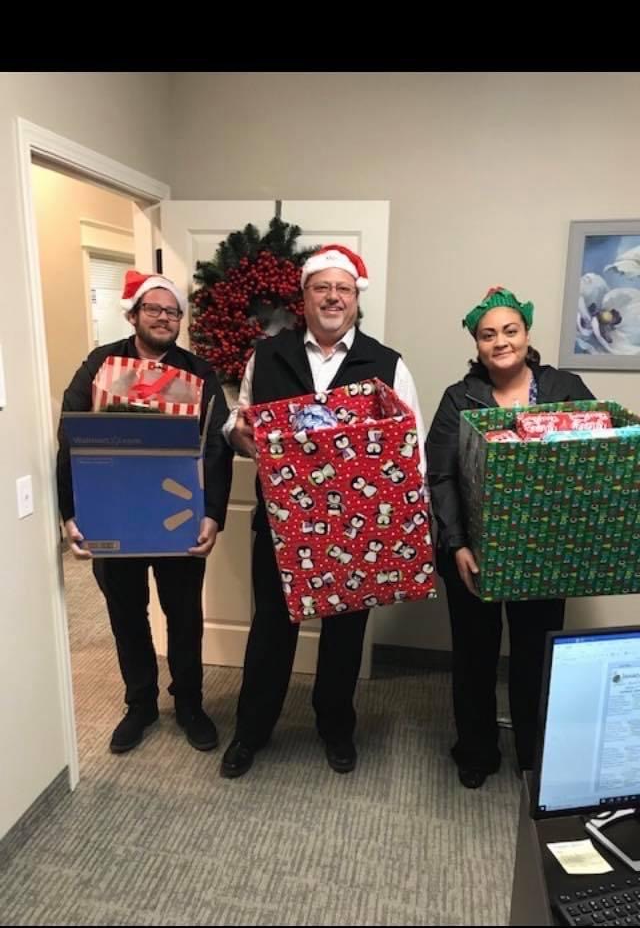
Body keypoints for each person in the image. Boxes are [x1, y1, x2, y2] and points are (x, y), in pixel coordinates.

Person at [220, 245, 426, 778]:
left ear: (356, 298)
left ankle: (336, 726)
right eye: (322, 288)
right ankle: (252, 730)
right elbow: (239, 426)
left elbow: (412, 448)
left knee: (344, 635)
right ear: (304, 296)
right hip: (282, 525)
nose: (333, 298)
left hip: (358, 529)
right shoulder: (266, 356)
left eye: (344, 289)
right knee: (271, 629)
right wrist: (239, 435)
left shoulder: (388, 363)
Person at [57, 270, 233, 755]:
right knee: (126, 615)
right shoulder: (100, 364)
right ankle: (140, 704)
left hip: (178, 517)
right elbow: (71, 436)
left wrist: (213, 515)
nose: (163, 317)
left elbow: (218, 449)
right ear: (133, 314)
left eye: (172, 311)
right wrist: (71, 513)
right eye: (153, 309)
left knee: (184, 616)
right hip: (114, 517)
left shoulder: (200, 373)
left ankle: (191, 703)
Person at [426, 286, 595, 788]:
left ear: (526, 334)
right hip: (473, 553)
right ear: (477, 344)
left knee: (535, 656)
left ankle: (531, 753)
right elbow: (441, 474)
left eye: (510, 330)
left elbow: (597, 452)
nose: (500, 341)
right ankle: (476, 750)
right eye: (488, 334)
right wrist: (456, 543)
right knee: (474, 655)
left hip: (545, 551)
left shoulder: (565, 387)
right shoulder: (460, 398)